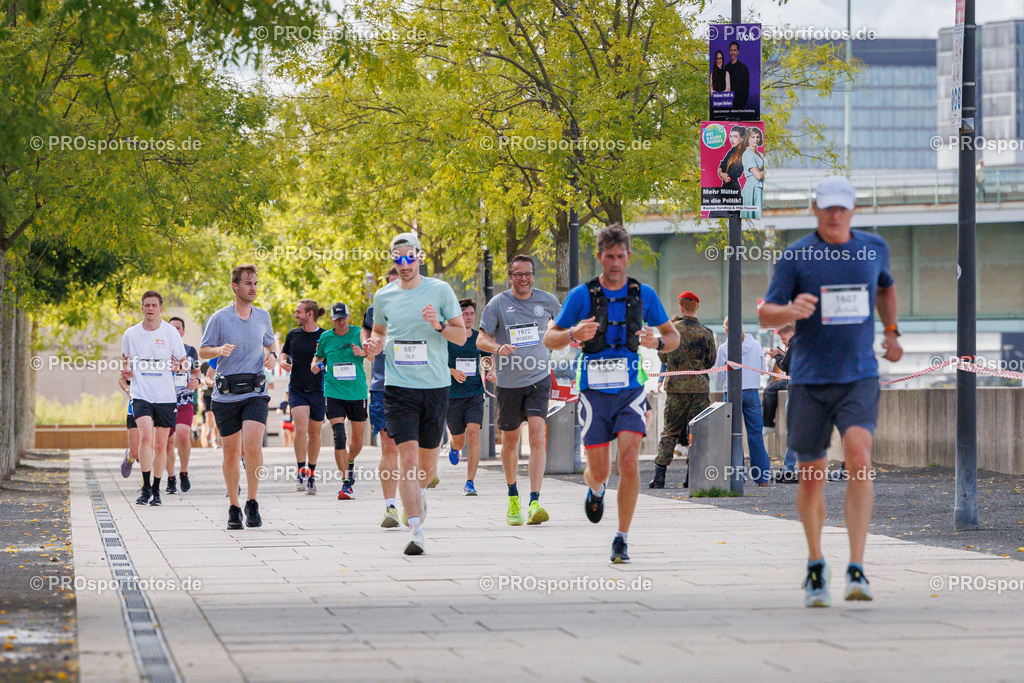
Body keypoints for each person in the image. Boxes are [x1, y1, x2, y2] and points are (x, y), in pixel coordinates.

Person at [759, 175, 903, 607]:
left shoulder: (873, 247)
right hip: (810, 379)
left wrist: (892, 331)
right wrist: (790, 309)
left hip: (858, 375)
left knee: (859, 457)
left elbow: (886, 286)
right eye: (828, 208)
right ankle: (816, 562)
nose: (836, 214)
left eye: (843, 207)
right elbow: (766, 312)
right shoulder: (796, 256)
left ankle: (857, 567)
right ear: (816, 209)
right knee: (811, 479)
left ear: (853, 210)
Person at [544, 224, 679, 564]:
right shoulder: (581, 296)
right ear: (600, 258)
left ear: (628, 257)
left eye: (620, 257)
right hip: (593, 392)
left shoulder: (643, 293)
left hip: (631, 390)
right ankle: (595, 488)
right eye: (609, 257)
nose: (615, 263)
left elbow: (672, 336)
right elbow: (550, 339)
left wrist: (658, 343)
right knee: (600, 470)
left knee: (630, 459)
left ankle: (622, 538)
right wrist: (573, 333)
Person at [363, 233, 466, 555]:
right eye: (398, 259)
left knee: (426, 467)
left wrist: (438, 326)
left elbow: (461, 337)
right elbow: (379, 333)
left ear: (419, 257)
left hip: (435, 387)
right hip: (397, 388)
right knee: (405, 458)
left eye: (409, 257)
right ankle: (416, 530)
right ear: (392, 261)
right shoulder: (384, 296)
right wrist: (374, 345)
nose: (404, 264)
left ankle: (418, 495)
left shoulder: (440, 290)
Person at [478, 254, 561, 526]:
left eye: (528, 274)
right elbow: (481, 338)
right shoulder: (498, 304)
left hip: (538, 377)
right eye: (518, 274)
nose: (523, 279)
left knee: (538, 434)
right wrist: (497, 347)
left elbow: (562, 328)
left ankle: (535, 501)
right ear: (510, 277)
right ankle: (513, 495)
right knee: (511, 441)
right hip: (508, 383)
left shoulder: (547, 300)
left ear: (534, 276)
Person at [200, 264, 277, 530]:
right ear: (235, 286)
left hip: (256, 392)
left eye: (255, 283)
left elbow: (270, 343)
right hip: (226, 395)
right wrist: (219, 349)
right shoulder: (219, 318)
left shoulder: (263, 316)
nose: (253, 288)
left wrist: (273, 356)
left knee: (253, 447)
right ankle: (234, 505)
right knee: (231, 453)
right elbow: (202, 351)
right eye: (248, 283)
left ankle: (252, 502)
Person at [120, 290, 186, 507]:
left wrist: (179, 366)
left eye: (154, 305)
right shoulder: (131, 334)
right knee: (145, 438)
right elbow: (125, 359)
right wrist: (127, 371)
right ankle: (145, 487)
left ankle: (157, 489)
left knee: (161, 445)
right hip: (141, 394)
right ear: (142, 308)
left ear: (160, 309)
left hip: (165, 396)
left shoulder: (170, 333)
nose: (150, 308)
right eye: (146, 305)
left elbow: (184, 362)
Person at [649, 291, 716, 489]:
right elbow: (710, 362)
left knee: (670, 431)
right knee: (697, 432)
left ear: (681, 307)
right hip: (698, 388)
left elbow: (663, 357)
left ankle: (660, 476)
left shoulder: (672, 332)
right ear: (697, 306)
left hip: (676, 388)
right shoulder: (706, 332)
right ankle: (692, 475)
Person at [313, 302, 368, 500]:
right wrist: (315, 365)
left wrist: (362, 352)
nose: (341, 322)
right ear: (331, 320)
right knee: (339, 436)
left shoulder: (359, 333)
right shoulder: (326, 337)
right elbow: (317, 358)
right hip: (334, 393)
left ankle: (350, 460)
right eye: (337, 319)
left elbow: (371, 354)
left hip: (357, 393)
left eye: (343, 317)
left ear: (349, 316)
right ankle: (346, 484)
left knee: (357, 442)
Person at [362, 265, 402, 528]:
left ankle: (418, 491)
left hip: (417, 385)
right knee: (389, 445)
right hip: (382, 386)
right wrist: (367, 344)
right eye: (390, 283)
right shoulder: (377, 308)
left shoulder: (423, 306)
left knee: (414, 449)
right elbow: (365, 330)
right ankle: (390, 506)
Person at [714, 317, 772, 486]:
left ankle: (737, 477)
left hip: (732, 394)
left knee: (733, 436)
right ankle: (762, 478)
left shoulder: (724, 348)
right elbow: (762, 370)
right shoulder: (755, 345)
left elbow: (720, 375)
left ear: (726, 330)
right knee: (756, 435)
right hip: (752, 393)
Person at [281, 299, 327, 494]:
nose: (295, 315)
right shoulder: (293, 335)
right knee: (300, 429)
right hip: (297, 390)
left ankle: (312, 473)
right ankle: (301, 471)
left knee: (315, 433)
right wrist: (283, 362)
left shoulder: (325, 336)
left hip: (318, 390)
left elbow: (330, 358)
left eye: (298, 312)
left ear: (309, 314)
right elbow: (283, 354)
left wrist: (321, 366)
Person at [446, 299, 489, 496]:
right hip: (452, 395)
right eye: (465, 314)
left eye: (472, 314)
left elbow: (487, 357)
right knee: (460, 441)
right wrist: (452, 371)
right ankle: (454, 447)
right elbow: (436, 363)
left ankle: (470, 482)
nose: (469, 317)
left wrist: (490, 370)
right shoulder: (448, 339)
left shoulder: (479, 338)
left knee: (473, 432)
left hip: (474, 393)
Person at [164, 316, 201, 494]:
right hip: (164, 400)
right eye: (172, 328)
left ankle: (184, 472)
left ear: (183, 332)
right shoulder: (160, 350)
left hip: (184, 399)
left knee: (184, 435)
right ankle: (171, 478)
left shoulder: (190, 351)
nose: (176, 331)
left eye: (179, 328)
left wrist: (196, 381)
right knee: (168, 442)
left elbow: (196, 373)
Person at [707, 126, 746, 218]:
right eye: (731, 136)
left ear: (741, 138)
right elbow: (720, 166)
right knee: (715, 212)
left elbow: (734, 173)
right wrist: (721, 174)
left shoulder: (744, 153)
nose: (732, 139)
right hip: (726, 187)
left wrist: (723, 174)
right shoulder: (731, 151)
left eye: (735, 137)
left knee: (734, 215)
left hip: (733, 188)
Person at [762, 323, 794, 430]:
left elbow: (784, 365)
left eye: (784, 339)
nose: (783, 342)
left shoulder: (795, 341)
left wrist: (776, 356)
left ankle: (768, 424)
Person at [740, 128, 765, 220]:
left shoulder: (760, 154)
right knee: (751, 218)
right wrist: (764, 171)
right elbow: (758, 175)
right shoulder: (747, 154)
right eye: (753, 137)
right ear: (748, 139)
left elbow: (760, 173)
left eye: (757, 137)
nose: (756, 139)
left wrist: (761, 171)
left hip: (759, 188)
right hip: (752, 188)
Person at [119, 377, 140, 478]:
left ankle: (148, 487)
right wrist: (128, 390)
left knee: (152, 447)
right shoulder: (133, 361)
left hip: (158, 406)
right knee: (136, 452)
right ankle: (130, 457)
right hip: (136, 406)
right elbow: (122, 379)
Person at [199, 360, 219, 448]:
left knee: (217, 419)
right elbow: (200, 378)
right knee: (209, 416)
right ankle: (209, 430)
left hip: (219, 393)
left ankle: (215, 439)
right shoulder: (204, 365)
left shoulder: (222, 361)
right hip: (207, 394)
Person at [725, 41, 750, 110]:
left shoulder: (743, 68)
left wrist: (740, 108)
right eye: (731, 50)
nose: (732, 53)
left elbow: (746, 91)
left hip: (740, 106)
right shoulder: (726, 68)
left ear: (738, 52)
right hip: (728, 105)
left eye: (734, 50)